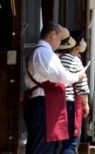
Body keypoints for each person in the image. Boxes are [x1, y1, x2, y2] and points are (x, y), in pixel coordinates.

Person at [23, 22, 85, 154]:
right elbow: (60, 76)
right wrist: (76, 76)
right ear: (52, 35)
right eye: (59, 37)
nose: (60, 42)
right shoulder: (43, 52)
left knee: (45, 146)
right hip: (43, 105)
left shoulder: (44, 51)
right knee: (42, 148)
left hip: (44, 104)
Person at [57, 31, 91, 154]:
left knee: (55, 141)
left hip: (53, 103)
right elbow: (82, 87)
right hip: (69, 104)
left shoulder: (55, 57)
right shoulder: (74, 60)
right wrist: (86, 104)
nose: (85, 43)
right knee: (70, 141)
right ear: (76, 44)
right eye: (82, 40)